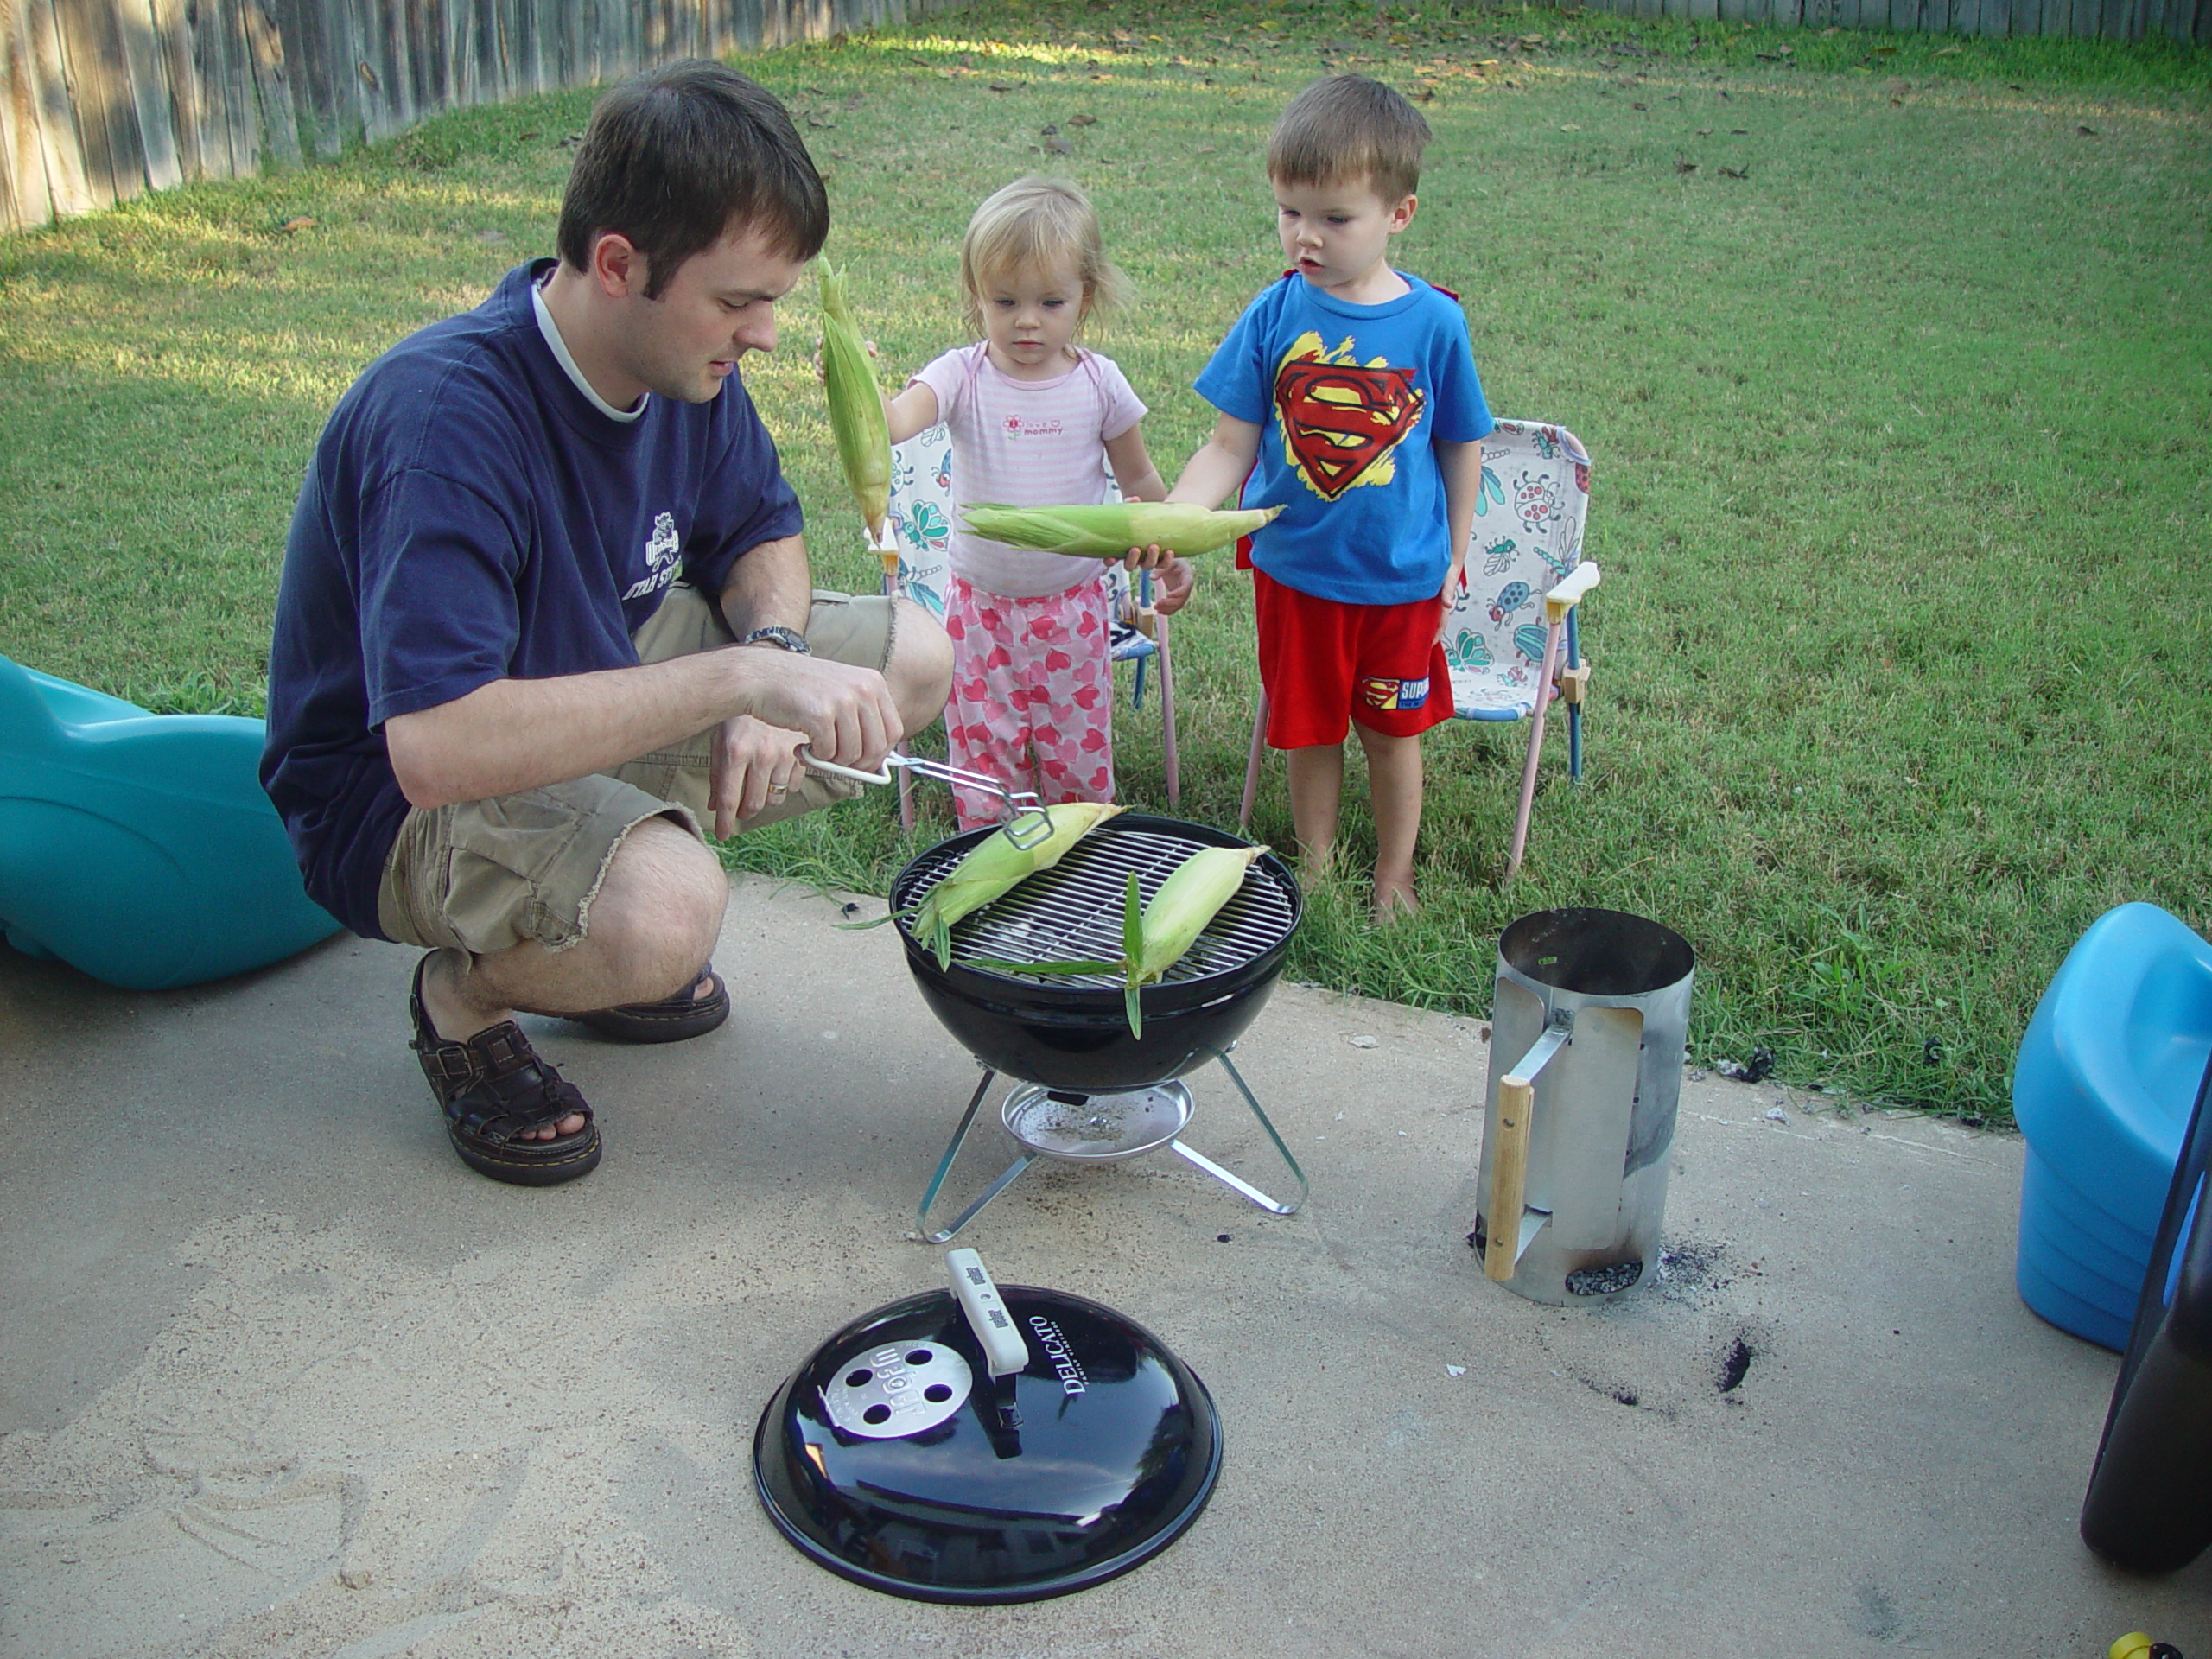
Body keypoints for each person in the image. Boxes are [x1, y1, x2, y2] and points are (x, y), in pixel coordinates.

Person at [260, 60, 953, 1187]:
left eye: (774, 298)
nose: (767, 334)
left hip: (586, 681)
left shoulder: (686, 370)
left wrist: (772, 655)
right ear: (621, 264)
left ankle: (592, 900)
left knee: (912, 660)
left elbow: (764, 534)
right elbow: (436, 749)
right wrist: (737, 684)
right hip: (389, 799)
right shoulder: (448, 421)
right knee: (669, 918)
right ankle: (465, 997)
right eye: (740, 300)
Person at [1154, 75, 1492, 918]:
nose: (1305, 236)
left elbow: (1461, 442)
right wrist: (1180, 516)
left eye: (1334, 218)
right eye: (1288, 211)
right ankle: (1318, 865)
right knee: (1307, 731)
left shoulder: (1434, 324)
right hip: (1296, 578)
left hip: (1399, 585)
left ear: (1398, 215)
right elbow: (1228, 444)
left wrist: (1454, 552)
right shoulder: (1272, 313)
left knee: (1390, 733)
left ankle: (1393, 875)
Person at [877, 175, 1190, 830]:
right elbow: (894, 421)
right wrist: (851, 376)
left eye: (1050, 301)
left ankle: (1078, 871)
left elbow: (1143, 486)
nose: (1026, 320)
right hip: (979, 615)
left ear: (1087, 296)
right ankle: (994, 871)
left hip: (1072, 612)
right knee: (983, 760)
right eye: (1005, 300)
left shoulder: (1100, 385)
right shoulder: (960, 374)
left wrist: (1173, 554)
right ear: (976, 296)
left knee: (1076, 759)